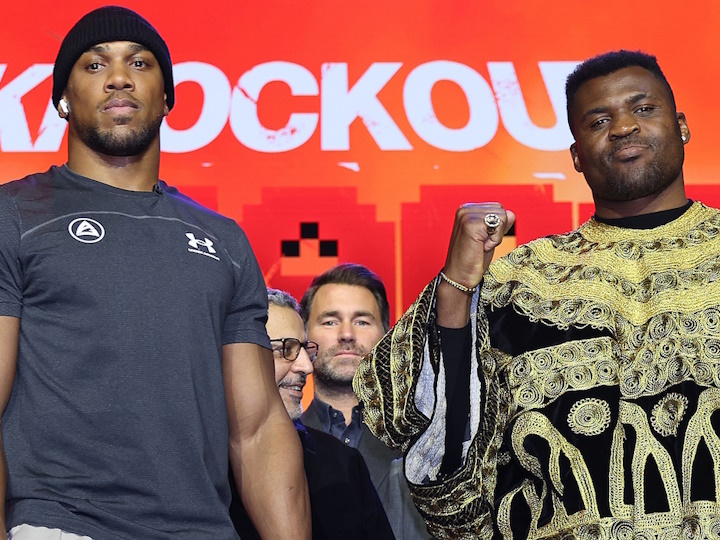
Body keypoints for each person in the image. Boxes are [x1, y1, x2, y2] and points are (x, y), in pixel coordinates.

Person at [353, 50, 718, 539]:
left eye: (643, 108)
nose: (623, 127)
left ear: (683, 126)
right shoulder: (521, 281)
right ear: (576, 156)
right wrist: (457, 283)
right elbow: (409, 416)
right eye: (599, 121)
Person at [0, 7, 309, 540]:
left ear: (167, 98)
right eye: (95, 65)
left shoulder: (223, 240)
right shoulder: (14, 215)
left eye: (140, 63)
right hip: (64, 524)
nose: (119, 77)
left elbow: (258, 429)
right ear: (62, 99)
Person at [229, 288, 396, 539]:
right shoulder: (191, 462)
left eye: (306, 350)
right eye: (286, 349)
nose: (307, 367)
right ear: (235, 357)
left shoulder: (342, 462)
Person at [300, 264, 430, 539]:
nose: (347, 334)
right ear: (304, 336)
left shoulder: (425, 443)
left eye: (362, 321)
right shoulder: (279, 443)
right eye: (330, 321)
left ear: (386, 335)